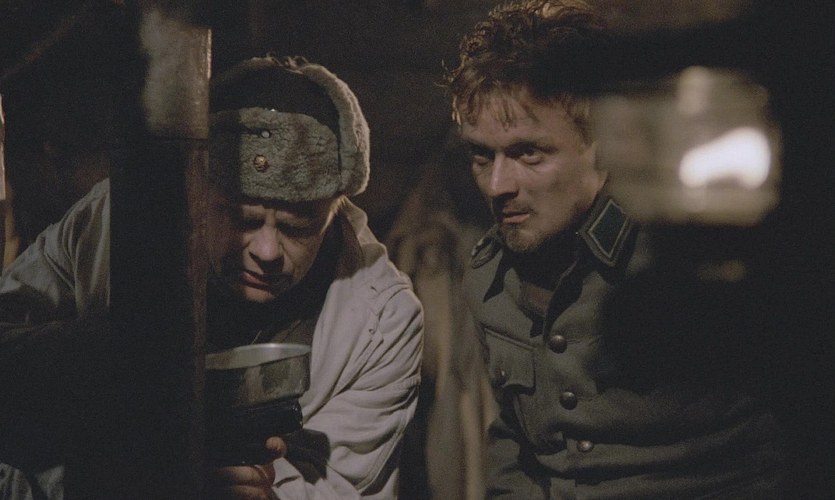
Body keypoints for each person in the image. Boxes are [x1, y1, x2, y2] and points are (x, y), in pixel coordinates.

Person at [0, 55, 423, 499]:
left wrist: (266, 493)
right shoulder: (113, 222)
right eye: (241, 219)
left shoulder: (383, 320)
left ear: (335, 209)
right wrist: (114, 369)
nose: (267, 252)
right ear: (197, 189)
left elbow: (344, 487)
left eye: (298, 228)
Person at [445, 1, 786, 498]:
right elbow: (516, 446)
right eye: (482, 155)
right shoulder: (489, 278)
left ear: (602, 147)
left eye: (528, 152)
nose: (498, 185)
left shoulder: (682, 261)